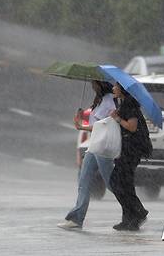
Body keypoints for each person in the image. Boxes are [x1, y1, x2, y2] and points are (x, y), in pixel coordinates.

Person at [57, 80, 116, 230]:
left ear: (101, 85)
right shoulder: (100, 100)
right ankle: (76, 219)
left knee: (112, 184)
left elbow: (103, 126)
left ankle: (134, 210)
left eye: (94, 83)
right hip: (94, 146)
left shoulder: (109, 102)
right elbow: (95, 120)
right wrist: (81, 115)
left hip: (102, 148)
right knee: (84, 180)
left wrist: (81, 126)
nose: (92, 86)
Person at [109, 82, 152, 231]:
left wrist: (117, 118)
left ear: (122, 89)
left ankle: (138, 212)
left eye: (115, 86)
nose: (113, 88)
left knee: (117, 182)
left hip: (131, 150)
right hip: (126, 148)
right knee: (123, 183)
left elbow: (132, 127)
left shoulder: (130, 104)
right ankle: (129, 218)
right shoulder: (123, 103)